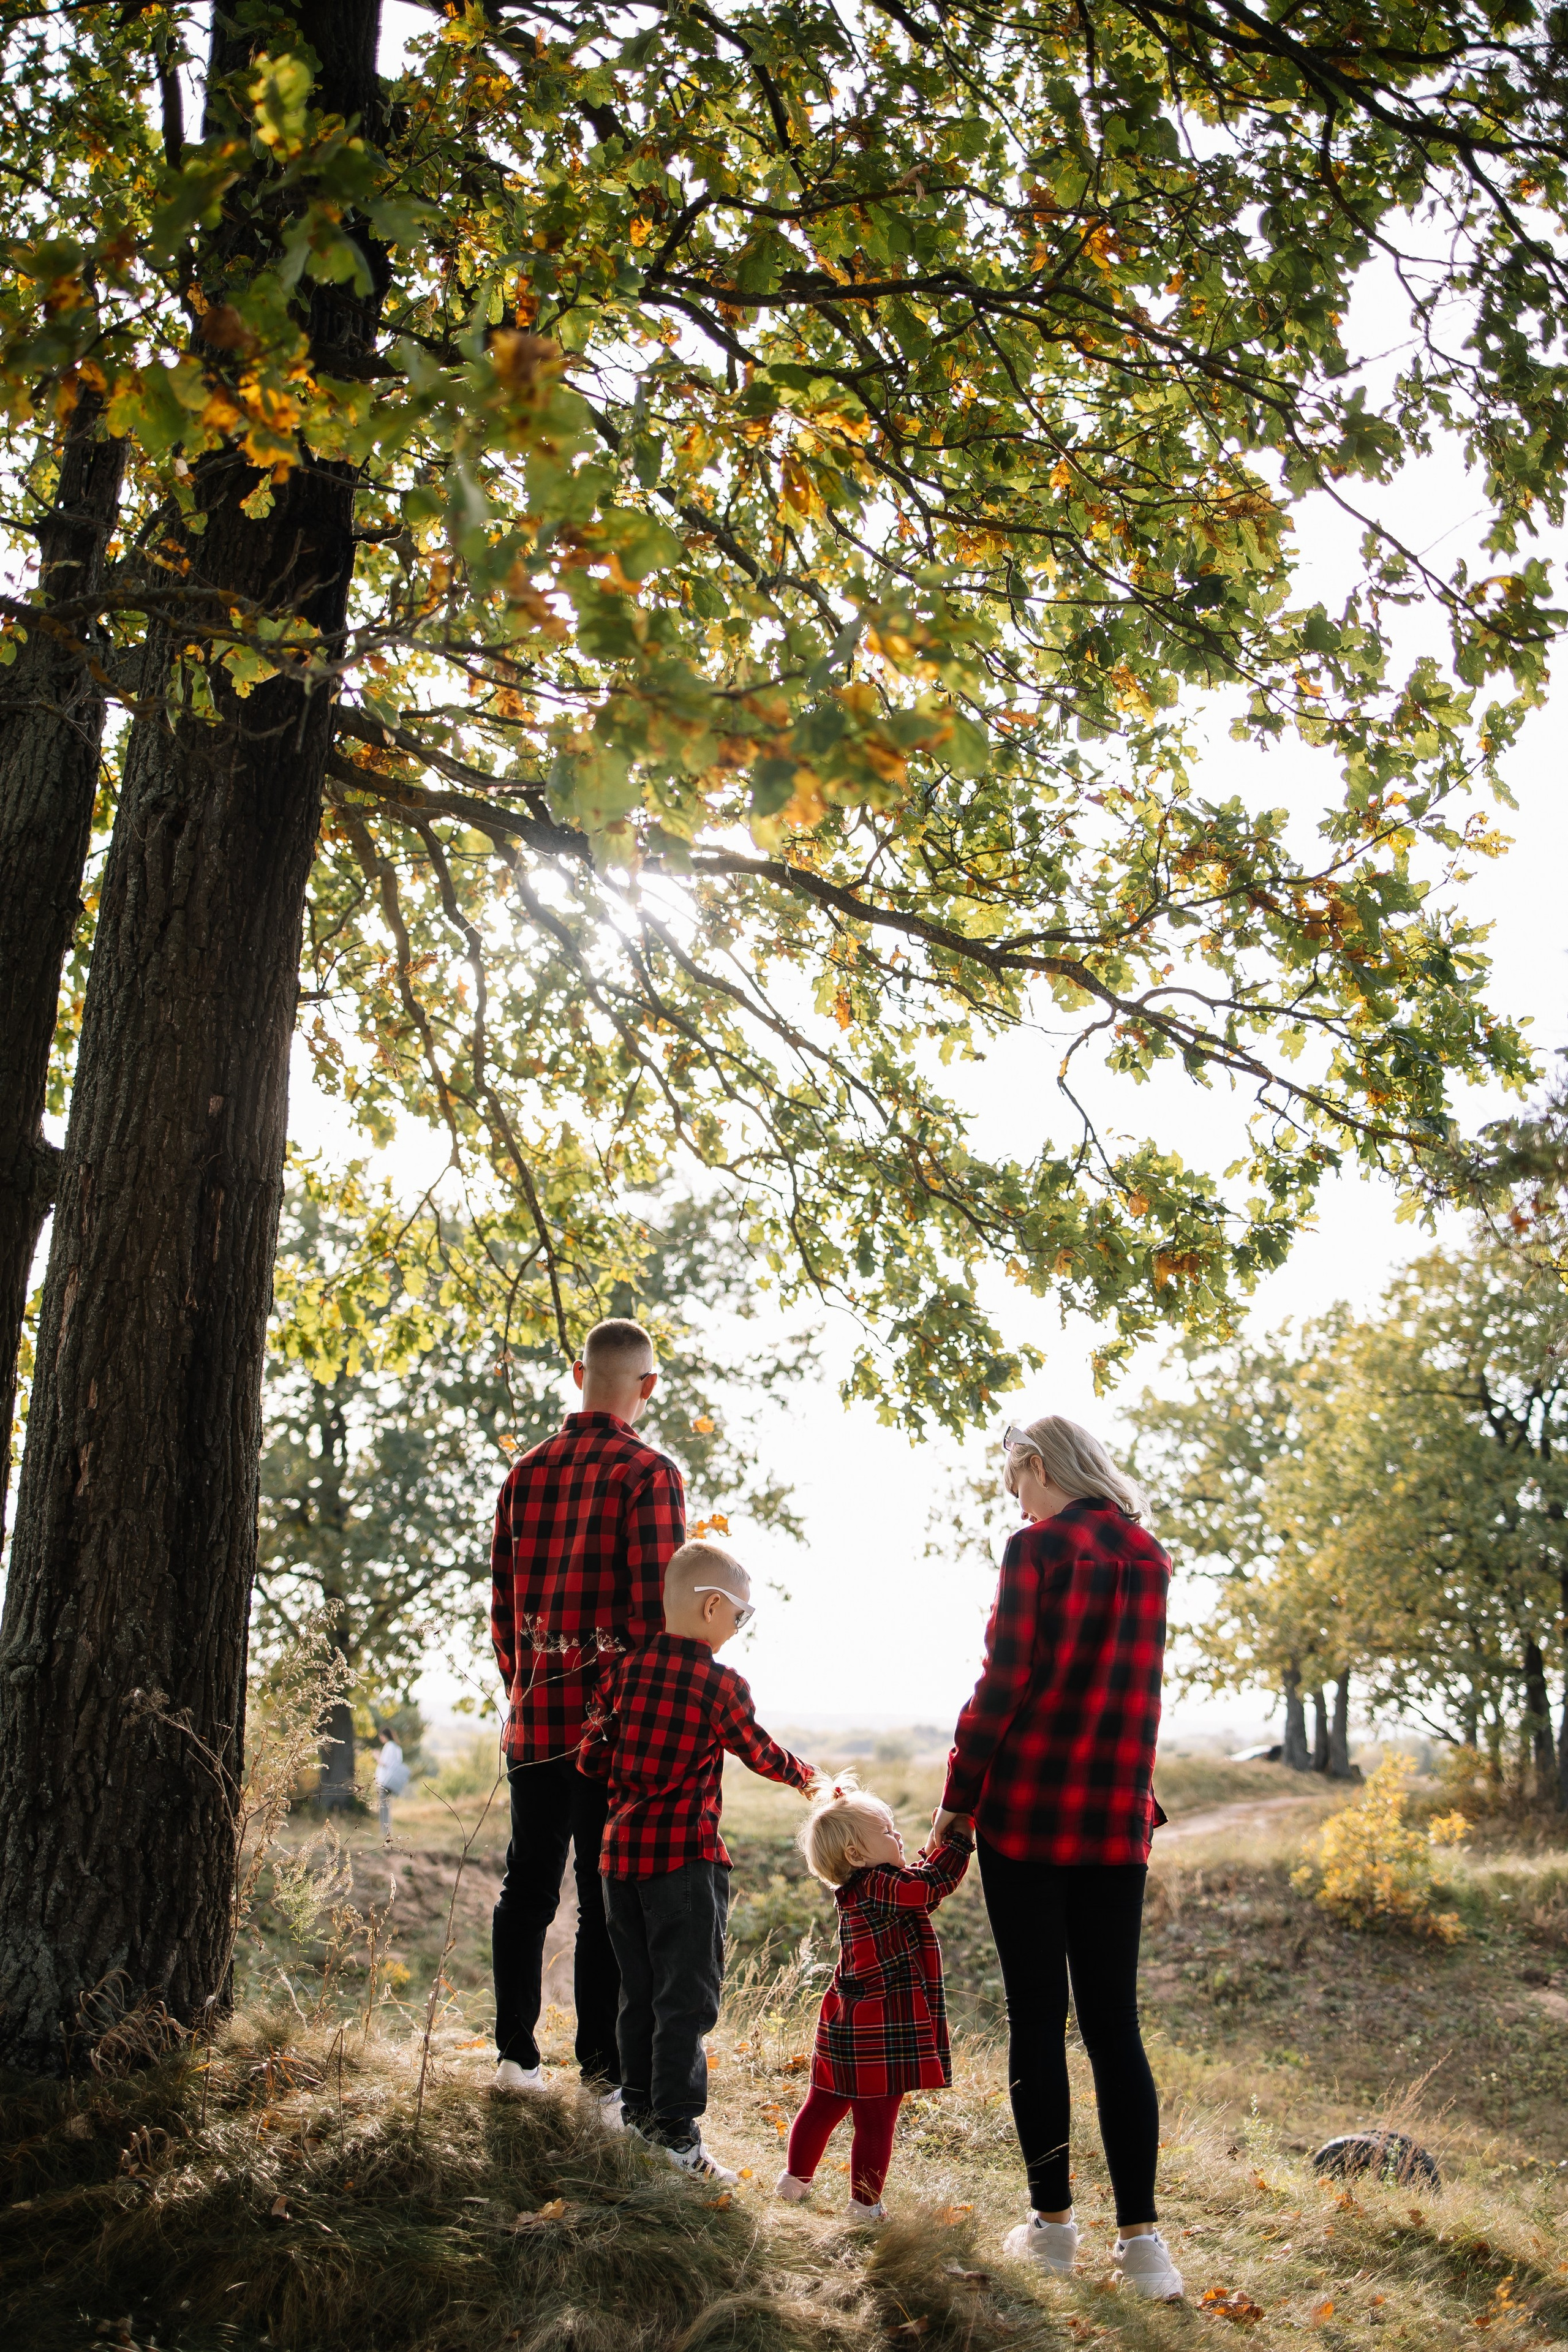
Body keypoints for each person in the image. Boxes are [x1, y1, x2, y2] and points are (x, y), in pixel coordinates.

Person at [932, 1415, 1183, 2299]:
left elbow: (1003, 1683)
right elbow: (1140, 1695)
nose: (1018, 1500)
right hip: (1116, 1816)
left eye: (1016, 1481)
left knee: (1037, 2016)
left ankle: (1052, 2229)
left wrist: (956, 1801)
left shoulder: (1035, 1551)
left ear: (1037, 1464)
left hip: (1031, 1812)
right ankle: (1146, 2249)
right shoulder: (1149, 1557)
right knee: (1115, 2023)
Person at [489, 1317, 685, 2109]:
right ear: (648, 1387)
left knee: (525, 1887)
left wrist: (525, 1688)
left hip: (534, 1720)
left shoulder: (524, 1474)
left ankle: (514, 2059)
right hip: (609, 1733)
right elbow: (656, 1619)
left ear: (578, 1374)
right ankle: (602, 2075)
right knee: (605, 1895)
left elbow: (503, 1611)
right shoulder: (650, 1474)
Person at [579, 1539, 815, 2178]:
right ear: (714, 1607)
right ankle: (678, 2135)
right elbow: (758, 1751)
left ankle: (637, 2115)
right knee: (688, 1999)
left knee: (640, 1993)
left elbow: (590, 1758)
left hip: (618, 1860)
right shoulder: (720, 1684)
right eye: (741, 1616)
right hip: (684, 1859)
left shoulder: (621, 1673)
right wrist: (810, 1780)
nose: (740, 1629)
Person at [776, 1777, 971, 2221]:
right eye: (886, 1831)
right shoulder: (880, 1884)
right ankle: (864, 2206)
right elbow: (930, 1886)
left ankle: (795, 2181)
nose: (897, 1835)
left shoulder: (867, 1889)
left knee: (824, 2100)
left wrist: (928, 1864)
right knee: (877, 2116)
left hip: (846, 2015)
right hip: (878, 2021)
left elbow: (917, 1895)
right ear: (856, 1855)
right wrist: (959, 1838)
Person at [372, 1725, 410, 1839]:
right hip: (392, 1780)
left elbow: (384, 1763)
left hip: (385, 1780)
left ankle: (384, 1832)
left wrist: (376, 1756)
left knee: (383, 1807)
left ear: (384, 1736)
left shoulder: (389, 1746)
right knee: (387, 1806)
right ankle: (387, 1831)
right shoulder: (397, 1748)